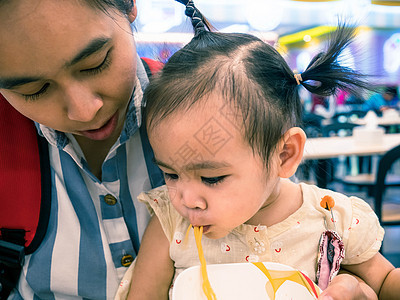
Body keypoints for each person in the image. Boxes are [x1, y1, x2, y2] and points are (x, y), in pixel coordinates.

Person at [119, 1, 400, 299]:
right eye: (170, 174)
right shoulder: (171, 226)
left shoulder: (333, 218)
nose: (186, 200)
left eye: (212, 178)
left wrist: (360, 292)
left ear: (284, 155)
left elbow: (385, 283)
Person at [0, 0, 164, 299]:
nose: (84, 111)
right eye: (33, 91)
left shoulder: (222, 115)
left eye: (95, 63)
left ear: (129, 5)